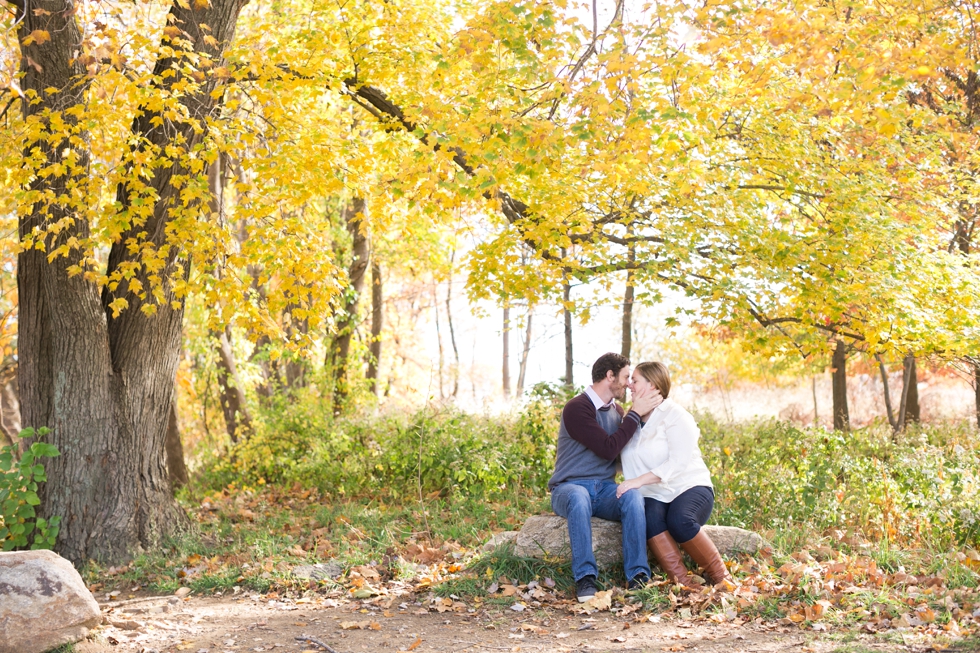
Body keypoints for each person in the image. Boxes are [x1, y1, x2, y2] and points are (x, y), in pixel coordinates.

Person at [548, 353, 662, 602]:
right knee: (578, 496)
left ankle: (638, 576)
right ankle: (585, 578)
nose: (628, 384)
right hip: (569, 488)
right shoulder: (577, 408)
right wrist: (634, 414)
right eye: (624, 377)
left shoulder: (616, 411)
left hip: (604, 490)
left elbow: (623, 450)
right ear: (610, 376)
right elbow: (608, 448)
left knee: (632, 495)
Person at [616, 361, 732, 587]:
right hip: (654, 494)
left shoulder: (676, 415)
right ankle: (685, 585)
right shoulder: (631, 421)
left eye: (636, 380)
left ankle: (724, 581)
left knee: (680, 520)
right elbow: (616, 456)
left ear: (653, 385)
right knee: (648, 519)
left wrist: (637, 481)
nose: (630, 385)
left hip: (689, 486)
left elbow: (678, 462)